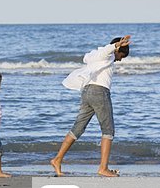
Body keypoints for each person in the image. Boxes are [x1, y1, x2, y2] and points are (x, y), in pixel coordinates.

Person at [50, 35, 131, 177]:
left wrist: (114, 48)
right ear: (116, 50)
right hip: (99, 92)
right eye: (121, 56)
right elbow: (105, 52)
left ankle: (57, 159)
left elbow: (87, 57)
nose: (119, 59)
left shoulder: (96, 56)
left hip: (87, 91)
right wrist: (115, 46)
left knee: (78, 128)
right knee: (108, 131)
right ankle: (103, 168)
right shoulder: (107, 55)